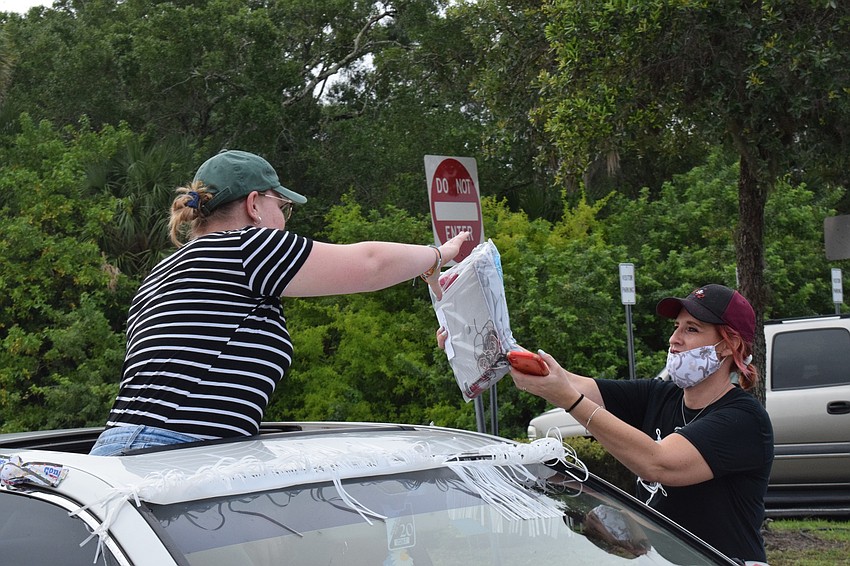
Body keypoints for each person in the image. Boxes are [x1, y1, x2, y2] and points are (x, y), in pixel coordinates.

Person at [90, 149, 470, 456]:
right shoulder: (246, 246)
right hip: (170, 453)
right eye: (282, 207)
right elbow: (369, 265)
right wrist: (439, 253)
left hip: (128, 450)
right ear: (254, 204)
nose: (284, 221)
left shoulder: (163, 272)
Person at [510, 284, 774, 564]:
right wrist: (509, 354)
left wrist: (570, 401)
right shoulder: (660, 395)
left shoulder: (743, 420)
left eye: (692, 329)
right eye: (676, 326)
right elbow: (572, 382)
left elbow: (658, 463)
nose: (674, 339)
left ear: (728, 346)